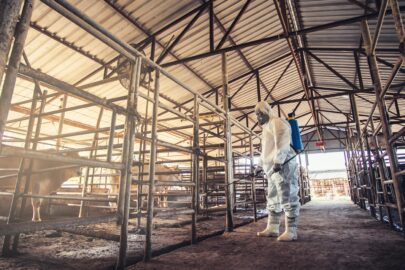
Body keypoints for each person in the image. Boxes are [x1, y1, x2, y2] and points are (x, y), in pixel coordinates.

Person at [254, 101, 300, 241]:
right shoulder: (266, 127)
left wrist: (279, 161)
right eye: (257, 115)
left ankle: (291, 231)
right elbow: (266, 150)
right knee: (273, 197)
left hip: (283, 166)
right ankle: (273, 228)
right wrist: (259, 166)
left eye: (259, 114)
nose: (258, 118)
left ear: (266, 111)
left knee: (288, 195)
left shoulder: (277, 122)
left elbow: (282, 140)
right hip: (271, 169)